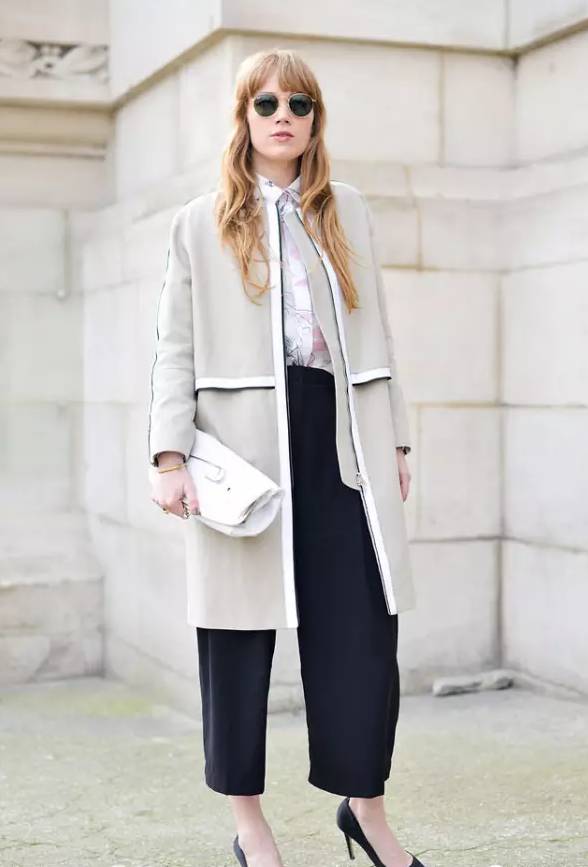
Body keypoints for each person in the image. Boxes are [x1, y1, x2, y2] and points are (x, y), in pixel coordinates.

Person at [148, 47, 426, 867]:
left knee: (365, 630)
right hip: (241, 445)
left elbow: (379, 331)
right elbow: (173, 346)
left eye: (298, 104)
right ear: (244, 117)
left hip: (342, 439)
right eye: (265, 103)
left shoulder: (348, 210)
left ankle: (365, 811)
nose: (282, 116)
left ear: (314, 119)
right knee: (235, 639)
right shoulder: (200, 222)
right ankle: (250, 830)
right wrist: (168, 455)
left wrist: (395, 436)